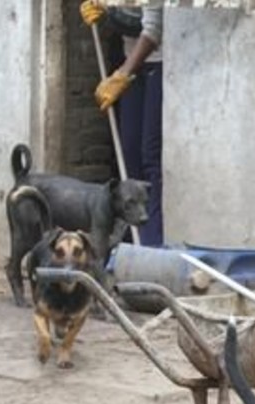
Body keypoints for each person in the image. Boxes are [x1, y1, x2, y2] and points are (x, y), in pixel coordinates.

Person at [79, 0, 165, 247]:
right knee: (128, 153)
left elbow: (154, 30)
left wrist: (122, 75)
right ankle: (127, 238)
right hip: (131, 64)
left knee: (150, 154)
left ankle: (151, 241)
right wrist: (103, 9)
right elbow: (126, 13)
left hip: (160, 63)